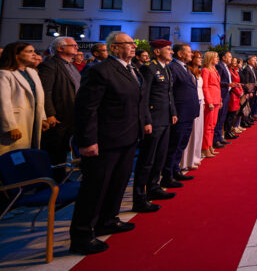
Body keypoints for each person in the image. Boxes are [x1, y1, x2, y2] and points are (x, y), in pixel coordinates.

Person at [70, 31, 147, 254]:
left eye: (134, 44)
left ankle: (108, 219)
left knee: (118, 183)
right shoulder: (100, 70)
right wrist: (87, 140)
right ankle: (82, 235)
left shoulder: (131, 70)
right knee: (95, 188)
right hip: (105, 140)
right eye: (129, 44)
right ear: (114, 48)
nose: (134, 47)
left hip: (128, 136)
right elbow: (87, 108)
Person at [132, 40, 178, 213]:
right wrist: (146, 120)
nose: (171, 52)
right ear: (157, 51)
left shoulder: (165, 68)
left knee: (160, 156)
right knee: (147, 160)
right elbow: (144, 97)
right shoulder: (149, 68)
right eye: (168, 49)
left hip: (165, 118)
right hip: (154, 120)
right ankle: (139, 197)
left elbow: (168, 93)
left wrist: (173, 111)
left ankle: (154, 187)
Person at [37, 36, 80, 180]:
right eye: (73, 45)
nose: (77, 47)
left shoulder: (70, 65)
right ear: (60, 48)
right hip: (58, 116)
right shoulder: (50, 65)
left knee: (64, 149)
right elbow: (45, 91)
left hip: (71, 115)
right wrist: (49, 114)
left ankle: (62, 178)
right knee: (56, 151)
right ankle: (53, 182)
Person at [0, 42, 47, 155]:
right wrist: (10, 126)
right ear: (16, 55)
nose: (34, 55)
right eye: (29, 51)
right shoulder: (4, 73)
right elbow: (3, 102)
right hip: (17, 121)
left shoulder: (32, 72)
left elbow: (39, 97)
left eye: (34, 51)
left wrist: (42, 117)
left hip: (32, 118)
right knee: (13, 156)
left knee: (28, 152)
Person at [166, 43, 200, 181]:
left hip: (189, 112)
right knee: (174, 145)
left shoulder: (186, 68)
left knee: (182, 144)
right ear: (180, 54)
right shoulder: (173, 68)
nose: (191, 54)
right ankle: (168, 175)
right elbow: (170, 92)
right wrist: (173, 111)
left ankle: (176, 170)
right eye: (189, 52)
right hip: (180, 112)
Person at [181, 51, 204, 171]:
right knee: (189, 135)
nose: (201, 59)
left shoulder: (198, 72)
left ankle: (194, 158)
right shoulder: (188, 71)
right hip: (191, 104)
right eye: (199, 57)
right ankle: (185, 161)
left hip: (200, 102)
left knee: (198, 133)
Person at [201, 52, 221, 158]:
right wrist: (209, 101)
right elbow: (205, 87)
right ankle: (205, 147)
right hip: (211, 101)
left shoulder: (214, 69)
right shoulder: (205, 70)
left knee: (213, 125)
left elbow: (217, 86)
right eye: (216, 57)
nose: (218, 59)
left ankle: (210, 145)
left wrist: (220, 99)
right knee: (208, 126)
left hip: (216, 100)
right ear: (210, 58)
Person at [213, 51, 232, 149]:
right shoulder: (220, 66)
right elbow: (218, 81)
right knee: (219, 117)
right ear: (223, 57)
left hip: (226, 94)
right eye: (229, 56)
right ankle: (215, 139)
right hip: (222, 94)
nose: (231, 58)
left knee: (223, 117)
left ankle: (220, 136)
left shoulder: (225, 66)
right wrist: (228, 84)